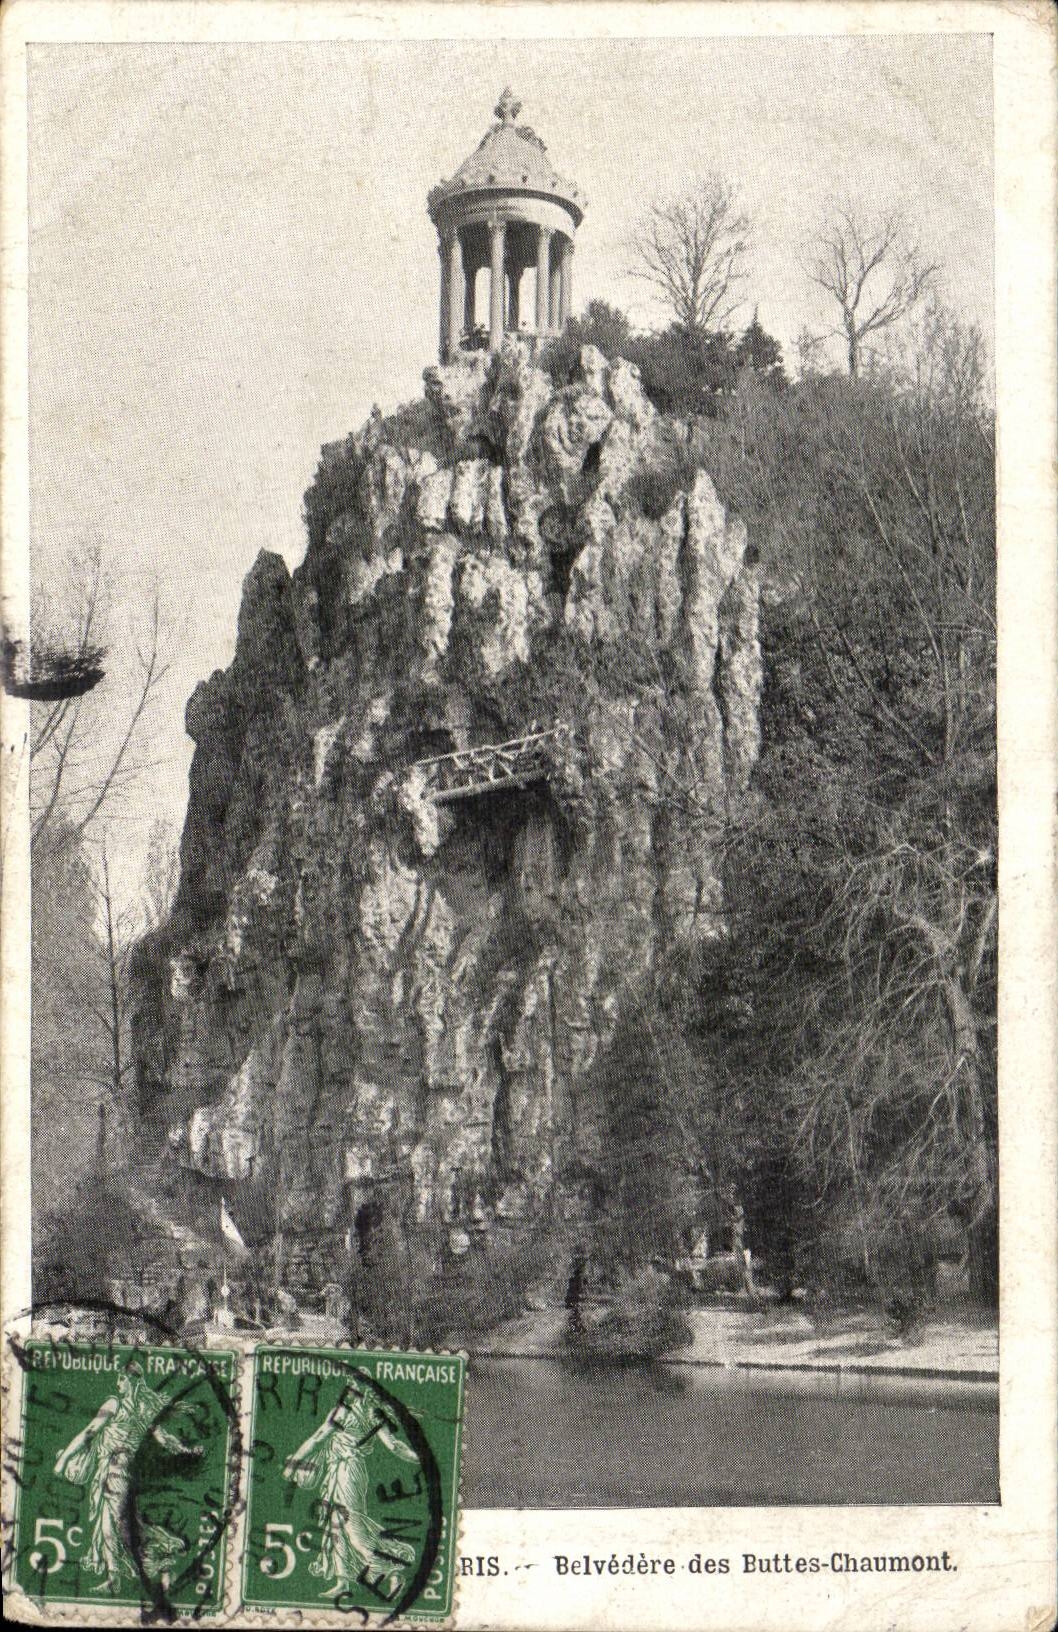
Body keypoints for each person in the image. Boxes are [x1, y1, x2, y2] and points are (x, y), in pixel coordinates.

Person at [54, 1360, 203, 1593]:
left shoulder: (132, 1408)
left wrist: (185, 1450)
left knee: (119, 1526)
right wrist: (64, 1459)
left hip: (119, 1471)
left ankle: (163, 1549)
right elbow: (90, 1432)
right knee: (110, 1526)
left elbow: (163, 1438)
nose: (118, 1383)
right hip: (107, 1469)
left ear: (133, 1380)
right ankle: (115, 1579)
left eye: (122, 1378)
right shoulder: (120, 1405)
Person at [284, 1388, 420, 1601]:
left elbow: (393, 1445)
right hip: (339, 1469)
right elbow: (320, 1436)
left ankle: (389, 1565)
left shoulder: (361, 1412)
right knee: (335, 1523)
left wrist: (422, 1459)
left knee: (350, 1521)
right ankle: (342, 1581)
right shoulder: (357, 1411)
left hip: (349, 1470)